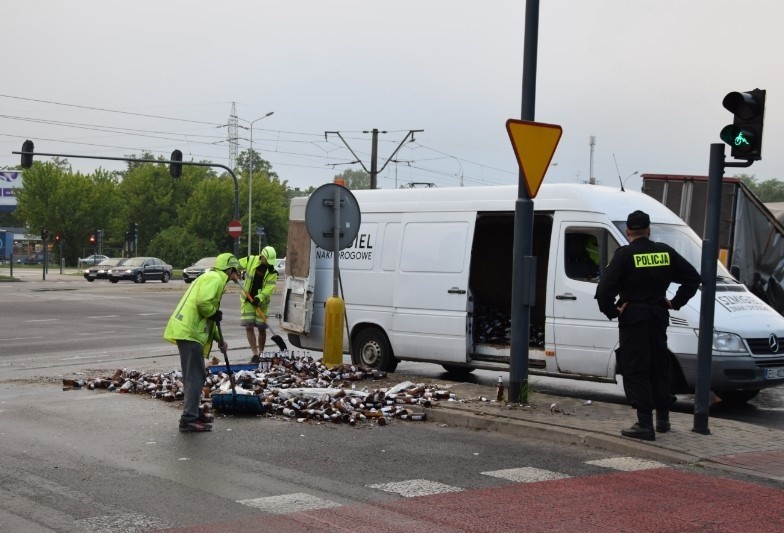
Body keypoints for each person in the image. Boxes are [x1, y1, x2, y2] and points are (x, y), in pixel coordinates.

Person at [594, 210, 700, 441]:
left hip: (633, 319)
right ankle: (663, 420)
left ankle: (644, 424)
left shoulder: (624, 255)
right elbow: (693, 278)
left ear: (628, 231)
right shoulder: (664, 252)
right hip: (658, 316)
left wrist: (613, 310)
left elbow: (603, 291)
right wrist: (674, 302)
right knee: (659, 365)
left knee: (636, 367)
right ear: (649, 230)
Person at [164, 253, 241, 432]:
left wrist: (219, 339)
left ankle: (193, 412)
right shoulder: (215, 278)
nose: (235, 277)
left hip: (190, 331)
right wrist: (213, 312)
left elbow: (209, 315)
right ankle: (188, 419)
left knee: (196, 375)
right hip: (190, 332)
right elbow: (203, 304)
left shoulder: (211, 277)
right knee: (194, 377)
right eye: (235, 272)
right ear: (229, 270)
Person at [239, 245, 278, 363]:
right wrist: (232, 270)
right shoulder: (251, 260)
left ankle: (261, 353)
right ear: (262, 257)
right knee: (249, 326)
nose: (269, 264)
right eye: (268, 261)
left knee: (261, 328)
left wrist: (259, 298)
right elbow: (238, 263)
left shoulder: (272, 272)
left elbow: (269, 288)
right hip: (247, 300)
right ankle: (255, 354)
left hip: (261, 303)